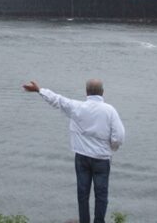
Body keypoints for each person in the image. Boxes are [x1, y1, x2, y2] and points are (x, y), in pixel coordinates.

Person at [22, 79, 125, 223]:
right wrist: (112, 148)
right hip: (101, 159)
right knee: (101, 194)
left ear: (86, 92)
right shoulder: (110, 110)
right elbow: (119, 136)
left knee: (83, 193)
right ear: (102, 92)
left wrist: (39, 90)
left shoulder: (77, 107)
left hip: (82, 158)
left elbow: (57, 100)